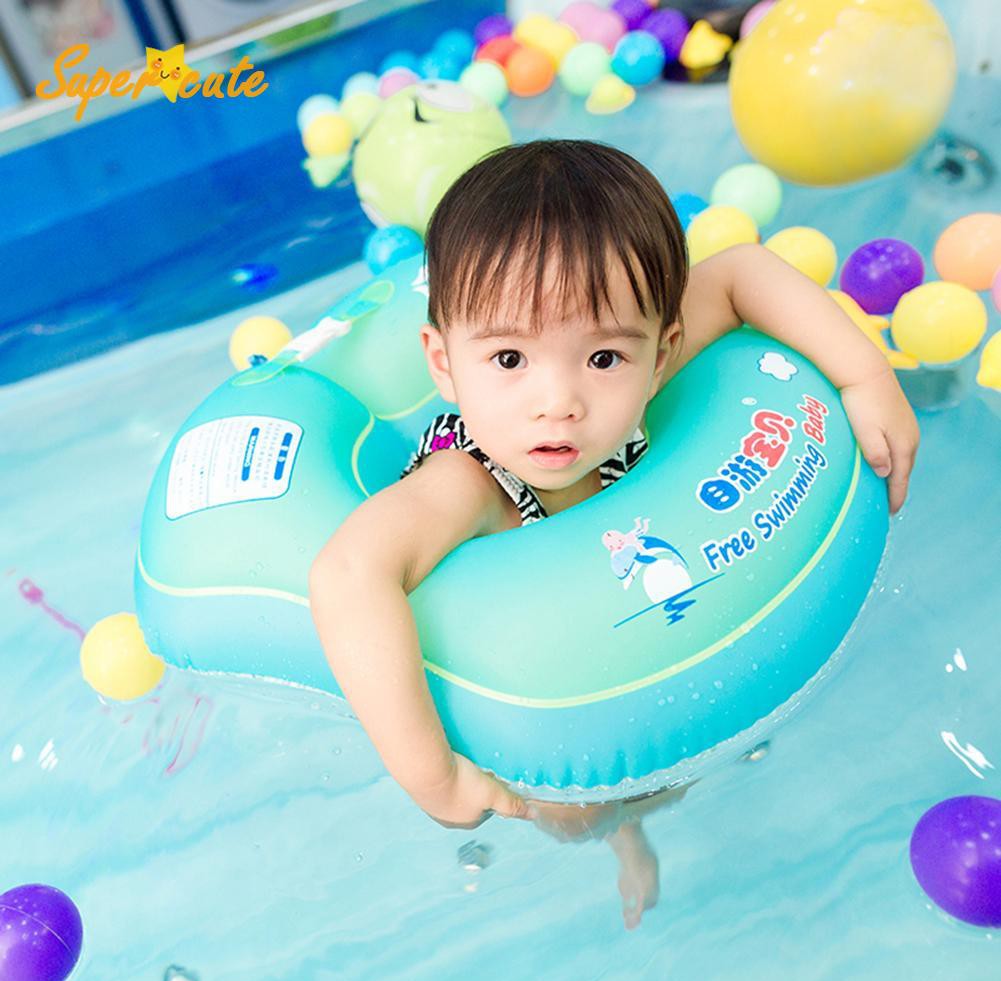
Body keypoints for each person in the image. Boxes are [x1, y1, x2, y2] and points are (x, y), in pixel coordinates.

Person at [309, 139, 919, 929]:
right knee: (574, 815)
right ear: (442, 364)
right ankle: (625, 837)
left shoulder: (641, 378)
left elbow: (738, 271)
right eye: (506, 358)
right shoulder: (467, 483)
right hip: (551, 707)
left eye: (600, 356)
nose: (556, 400)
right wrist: (432, 776)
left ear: (660, 351)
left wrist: (863, 378)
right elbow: (349, 571)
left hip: (653, 647)